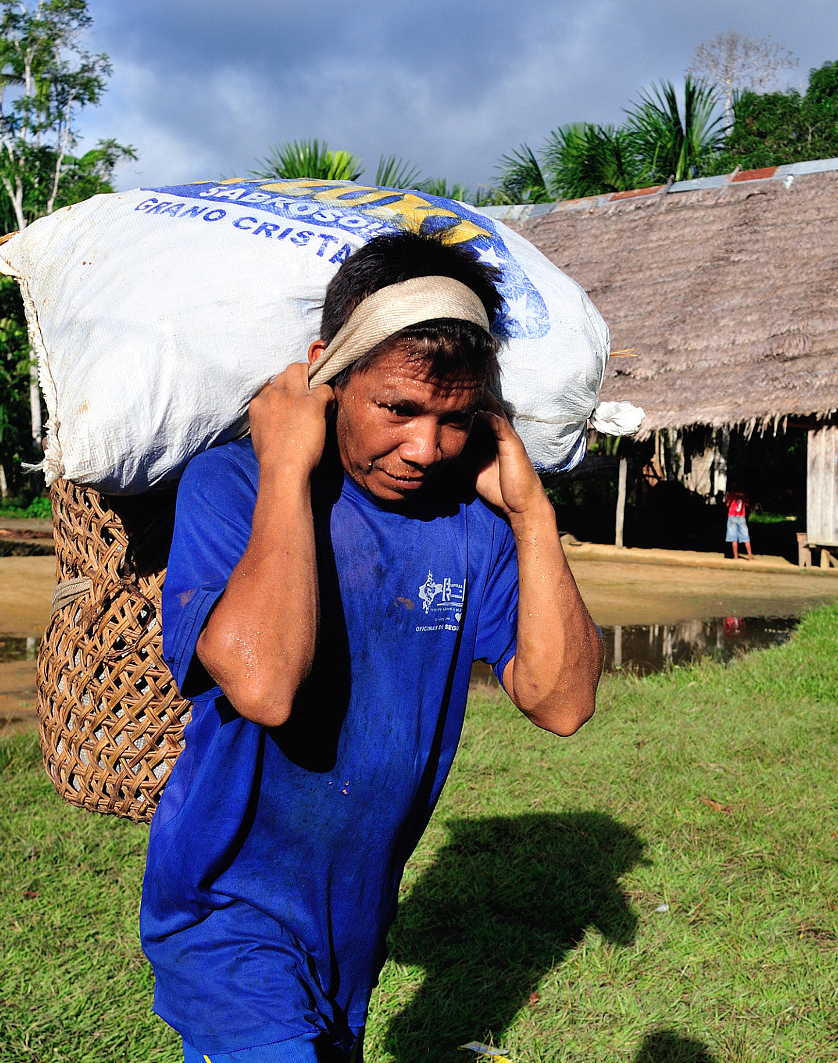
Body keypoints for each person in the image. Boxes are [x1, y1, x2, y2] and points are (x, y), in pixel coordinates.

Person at [139, 231, 602, 1063]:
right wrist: (286, 464)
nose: (426, 448)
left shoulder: (471, 525)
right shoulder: (235, 488)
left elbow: (562, 701)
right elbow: (266, 685)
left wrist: (535, 516)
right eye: (399, 408)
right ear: (328, 373)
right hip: (223, 916)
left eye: (454, 419)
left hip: (350, 930)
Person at [725, 488, 753, 560]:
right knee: (746, 537)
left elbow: (727, 504)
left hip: (732, 515)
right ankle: (750, 557)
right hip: (741, 516)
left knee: (733, 538)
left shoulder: (731, 492)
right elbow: (747, 504)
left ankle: (735, 556)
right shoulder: (744, 493)